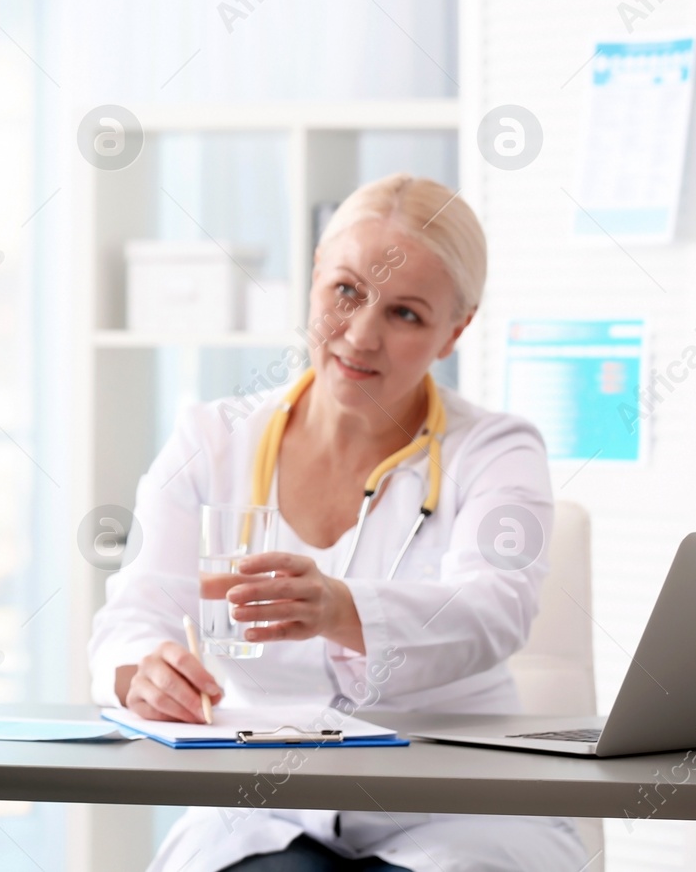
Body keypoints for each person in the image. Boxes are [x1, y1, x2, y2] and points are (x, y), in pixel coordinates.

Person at [88, 175, 589, 872]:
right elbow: (133, 615)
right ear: (316, 273)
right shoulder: (211, 440)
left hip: (453, 812)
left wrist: (340, 606)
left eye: (406, 313)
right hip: (262, 809)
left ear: (456, 330)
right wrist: (141, 671)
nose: (361, 335)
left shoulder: (496, 451)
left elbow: (493, 609)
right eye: (346, 291)